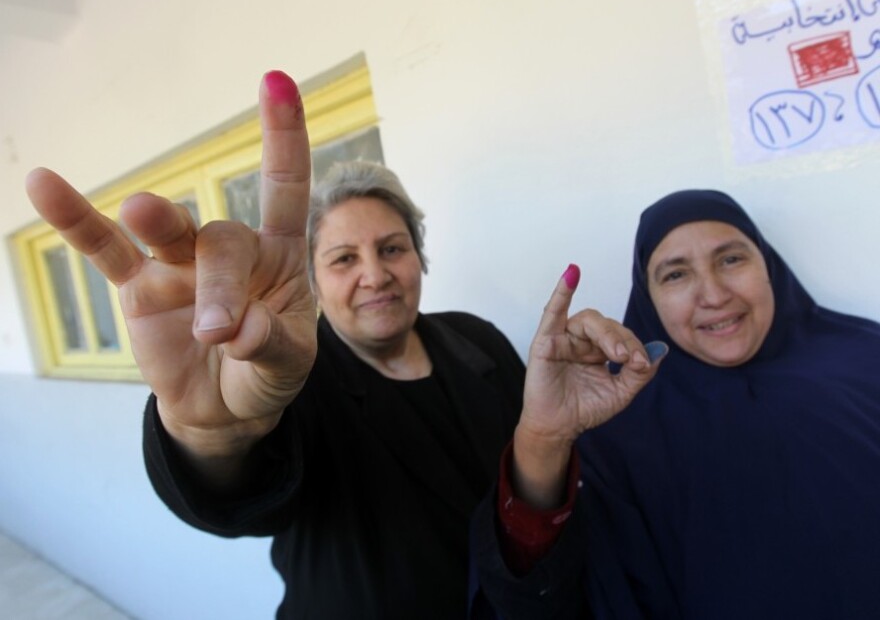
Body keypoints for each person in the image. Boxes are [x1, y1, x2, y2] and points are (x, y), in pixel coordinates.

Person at [25, 70, 529, 619]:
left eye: (392, 248)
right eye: (343, 259)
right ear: (309, 278)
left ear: (419, 256)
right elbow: (247, 503)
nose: (374, 274)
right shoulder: (287, 374)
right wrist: (213, 435)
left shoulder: (477, 341)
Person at [472, 189, 880, 619]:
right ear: (647, 299)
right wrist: (545, 437)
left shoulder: (866, 357)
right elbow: (542, 596)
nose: (714, 294)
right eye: (675, 275)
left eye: (731, 259)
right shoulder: (614, 422)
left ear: (768, 265)